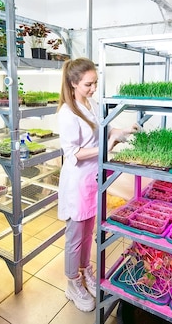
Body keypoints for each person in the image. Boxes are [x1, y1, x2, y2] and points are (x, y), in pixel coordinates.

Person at [57, 57, 139, 312]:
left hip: (93, 180)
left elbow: (107, 130)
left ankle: (85, 271)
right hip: (77, 183)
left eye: (95, 83)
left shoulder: (91, 104)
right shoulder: (67, 113)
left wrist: (124, 132)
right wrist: (107, 146)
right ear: (73, 84)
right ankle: (72, 283)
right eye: (88, 84)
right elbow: (73, 153)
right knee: (75, 237)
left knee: (89, 229)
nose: (93, 89)